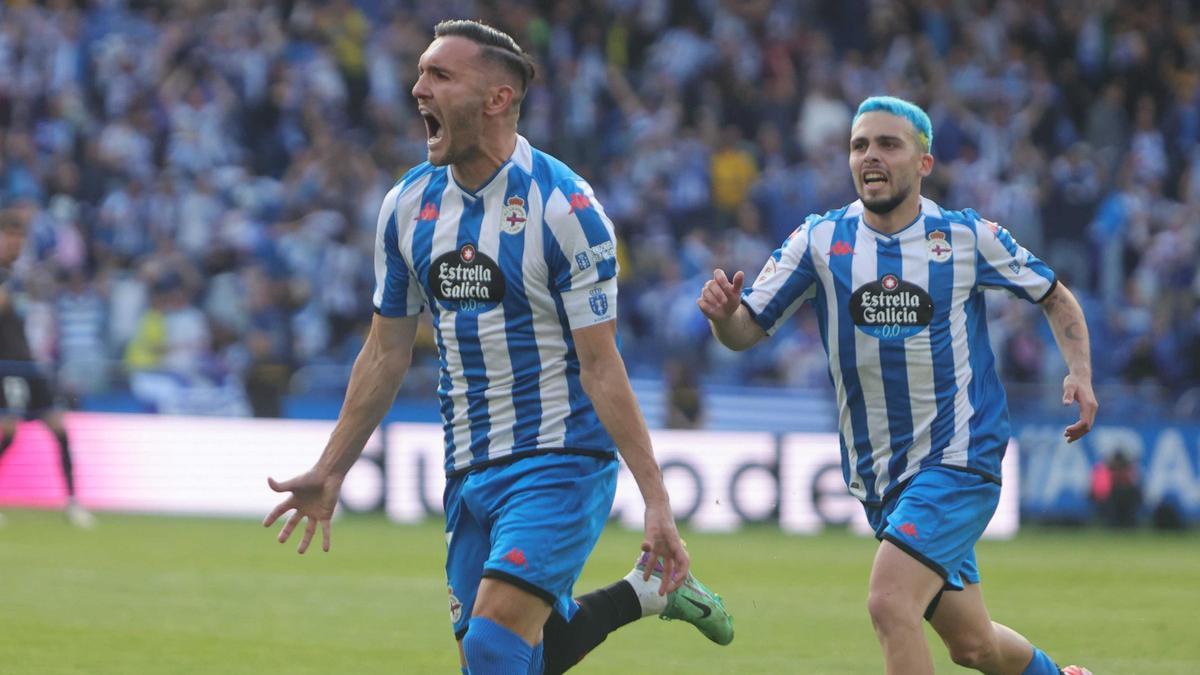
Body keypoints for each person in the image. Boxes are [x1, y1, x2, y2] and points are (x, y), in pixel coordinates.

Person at [264, 20, 733, 675]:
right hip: (468, 466)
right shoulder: (406, 207)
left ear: (497, 99)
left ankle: (645, 589)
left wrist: (655, 498)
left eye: (439, 76)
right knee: (505, 658)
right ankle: (646, 593)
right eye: (421, 72)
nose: (416, 87)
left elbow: (602, 365)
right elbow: (384, 351)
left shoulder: (565, 208)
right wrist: (332, 466)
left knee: (491, 645)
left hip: (560, 459)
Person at [698, 96, 1096, 675]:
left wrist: (1080, 373)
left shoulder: (965, 238)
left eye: (888, 144)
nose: (870, 156)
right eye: (860, 145)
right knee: (973, 644)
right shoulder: (819, 240)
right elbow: (744, 332)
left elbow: (1054, 295)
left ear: (924, 162)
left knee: (889, 602)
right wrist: (722, 315)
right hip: (882, 477)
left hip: (960, 456)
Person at [0, 210, 95, 528]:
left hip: (30, 364)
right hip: (7, 365)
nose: (14, 243)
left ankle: (72, 502)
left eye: (19, 238)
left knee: (60, 429)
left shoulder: (21, 276)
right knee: (9, 432)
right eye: (9, 237)